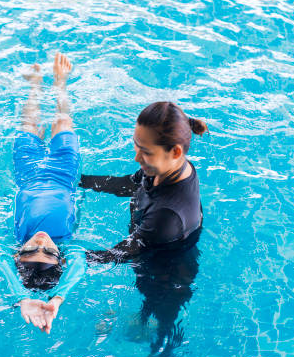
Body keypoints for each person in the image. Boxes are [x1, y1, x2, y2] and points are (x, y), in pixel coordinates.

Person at [0, 52, 85, 334]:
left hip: (27, 174)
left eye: (33, 249)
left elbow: (2, 265)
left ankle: (35, 86)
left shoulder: (14, 242)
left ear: (17, 255)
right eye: (48, 251)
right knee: (62, 121)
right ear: (61, 257)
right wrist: (58, 297)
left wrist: (22, 298)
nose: (41, 241)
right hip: (64, 174)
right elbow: (79, 267)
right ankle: (61, 83)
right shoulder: (68, 243)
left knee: (28, 126)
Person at [80, 101, 207, 262]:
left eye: (146, 151)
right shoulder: (165, 166)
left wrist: (71, 259)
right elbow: (128, 185)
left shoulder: (167, 216)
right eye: (136, 144)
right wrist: (78, 181)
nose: (137, 157)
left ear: (175, 152)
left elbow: (124, 252)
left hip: (161, 277)